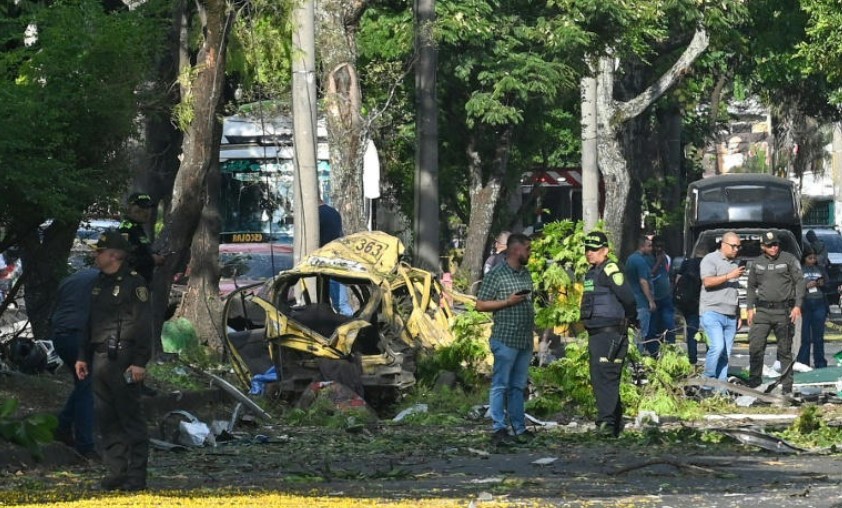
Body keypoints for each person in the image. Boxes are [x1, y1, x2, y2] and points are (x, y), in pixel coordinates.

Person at [76, 230, 152, 491]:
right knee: (106, 418)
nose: (96, 256)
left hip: (124, 358)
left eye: (100, 252)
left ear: (115, 256)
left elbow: (143, 326)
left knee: (130, 416)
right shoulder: (99, 283)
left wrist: (140, 361)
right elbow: (90, 322)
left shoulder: (134, 283)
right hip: (99, 357)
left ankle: (136, 475)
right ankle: (116, 471)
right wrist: (81, 356)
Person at [475, 233, 534, 445]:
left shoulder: (526, 274)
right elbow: (480, 304)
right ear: (516, 250)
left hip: (524, 339)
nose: (530, 253)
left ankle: (519, 428)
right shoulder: (497, 274)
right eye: (527, 249)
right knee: (500, 384)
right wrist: (508, 302)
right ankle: (499, 428)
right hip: (505, 338)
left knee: (518, 386)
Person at [580, 231, 637, 437]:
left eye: (594, 250)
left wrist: (630, 318)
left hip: (610, 333)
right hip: (597, 334)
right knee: (600, 378)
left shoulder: (611, 268)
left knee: (606, 378)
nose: (589, 253)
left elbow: (628, 298)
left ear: (606, 251)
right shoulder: (592, 272)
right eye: (587, 249)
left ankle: (607, 424)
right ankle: (614, 423)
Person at [746, 230, 804, 393]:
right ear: (763, 246)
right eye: (770, 245)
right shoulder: (756, 263)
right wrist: (749, 308)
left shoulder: (789, 259)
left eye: (776, 244)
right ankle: (754, 383)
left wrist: (797, 306)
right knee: (756, 348)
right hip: (762, 312)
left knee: (784, 350)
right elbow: (751, 287)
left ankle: (787, 387)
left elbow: (800, 282)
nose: (773, 248)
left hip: (783, 311)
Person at [51, 268, 100, 459]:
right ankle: (85, 445)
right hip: (78, 335)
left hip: (60, 335)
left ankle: (63, 426)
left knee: (83, 385)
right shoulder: (109, 281)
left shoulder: (74, 277)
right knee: (87, 389)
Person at [699, 232, 744, 387]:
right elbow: (707, 282)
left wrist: (738, 314)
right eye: (733, 246)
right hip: (712, 312)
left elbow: (734, 291)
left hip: (730, 315)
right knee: (717, 347)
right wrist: (729, 275)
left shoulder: (734, 264)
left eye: (738, 246)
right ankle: (706, 382)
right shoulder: (710, 259)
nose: (736, 249)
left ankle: (721, 388)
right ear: (723, 244)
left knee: (725, 354)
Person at [119, 193, 164, 284]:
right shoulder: (126, 229)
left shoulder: (138, 228)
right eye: (142, 207)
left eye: (149, 207)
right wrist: (152, 259)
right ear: (130, 208)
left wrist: (155, 254)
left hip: (141, 282)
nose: (146, 211)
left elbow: (141, 251)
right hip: (129, 284)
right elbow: (124, 259)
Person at [318, 198, 353, 316]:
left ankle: (354, 326)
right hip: (337, 260)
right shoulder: (334, 212)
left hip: (326, 262)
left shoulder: (316, 215)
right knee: (339, 303)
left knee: (339, 304)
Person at [797, 248, 829, 368]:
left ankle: (820, 361)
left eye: (814, 258)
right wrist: (805, 285)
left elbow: (827, 282)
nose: (812, 260)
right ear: (804, 258)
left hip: (819, 302)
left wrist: (822, 283)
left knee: (818, 336)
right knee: (805, 336)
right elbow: (794, 285)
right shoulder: (800, 269)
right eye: (809, 258)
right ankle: (803, 362)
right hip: (805, 303)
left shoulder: (819, 268)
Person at [624, 236, 656, 354]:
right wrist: (650, 300)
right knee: (641, 333)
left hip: (631, 301)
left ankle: (632, 356)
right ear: (642, 246)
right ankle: (638, 358)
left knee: (633, 332)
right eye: (649, 246)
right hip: (641, 302)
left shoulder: (630, 259)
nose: (651, 248)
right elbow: (643, 281)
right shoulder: (640, 261)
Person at [674, 245, 705, 365]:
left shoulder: (686, 264)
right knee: (709, 331)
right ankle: (712, 357)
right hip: (702, 300)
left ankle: (693, 358)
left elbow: (678, 280)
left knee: (692, 330)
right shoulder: (707, 264)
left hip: (687, 301)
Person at [648, 235, 675, 354]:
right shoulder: (648, 259)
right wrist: (658, 262)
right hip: (652, 297)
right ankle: (653, 353)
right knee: (652, 328)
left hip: (665, 297)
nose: (659, 249)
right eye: (657, 246)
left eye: (661, 247)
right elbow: (649, 275)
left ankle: (669, 352)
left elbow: (670, 275)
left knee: (669, 326)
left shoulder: (667, 258)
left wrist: (671, 290)